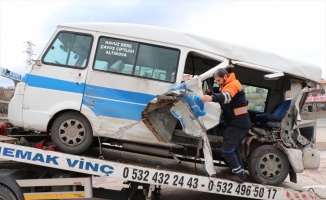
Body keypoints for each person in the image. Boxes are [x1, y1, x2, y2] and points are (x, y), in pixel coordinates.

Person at [200, 68, 251, 183]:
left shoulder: (233, 85)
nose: (218, 83)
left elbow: (227, 97)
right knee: (235, 149)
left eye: (218, 80)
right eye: (216, 81)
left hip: (238, 124)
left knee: (227, 150)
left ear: (225, 77)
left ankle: (240, 176)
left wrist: (211, 98)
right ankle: (240, 172)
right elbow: (223, 91)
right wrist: (212, 92)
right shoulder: (229, 83)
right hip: (240, 122)